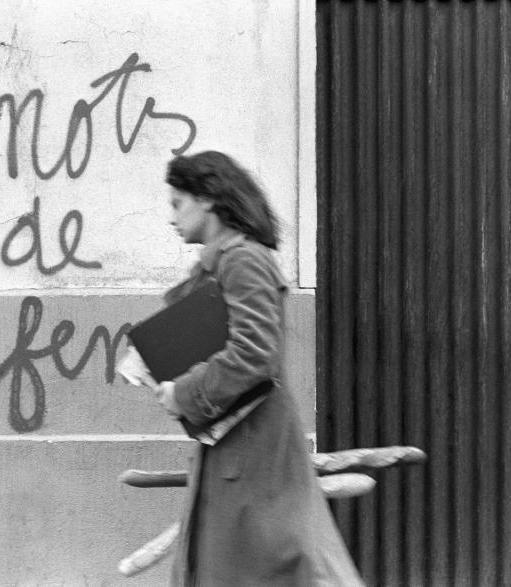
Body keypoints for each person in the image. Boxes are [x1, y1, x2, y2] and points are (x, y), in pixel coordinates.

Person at [155, 151, 364, 586]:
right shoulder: (223, 261)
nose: (171, 217)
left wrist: (182, 393)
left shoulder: (243, 259)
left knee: (282, 567)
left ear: (208, 199)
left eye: (178, 203)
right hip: (239, 445)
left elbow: (254, 352)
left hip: (255, 452)